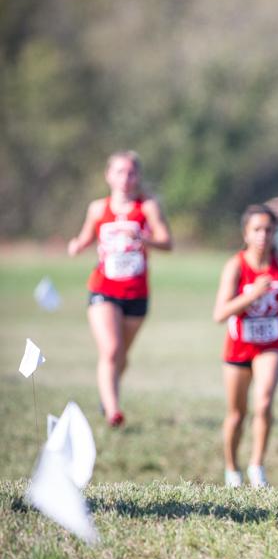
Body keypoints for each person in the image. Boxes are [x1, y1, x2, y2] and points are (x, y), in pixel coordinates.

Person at [68, 150, 172, 427]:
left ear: (137, 176)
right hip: (104, 288)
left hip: (137, 293)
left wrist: (143, 239)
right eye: (119, 172)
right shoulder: (98, 208)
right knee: (111, 350)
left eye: (131, 172)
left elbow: (167, 242)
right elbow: (87, 236)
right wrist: (77, 245)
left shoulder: (147, 206)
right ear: (108, 175)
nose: (125, 178)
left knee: (121, 356)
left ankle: (108, 393)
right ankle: (113, 410)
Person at [213, 204, 278, 488]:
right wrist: (253, 294)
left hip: (271, 342)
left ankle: (257, 467)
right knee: (237, 414)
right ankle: (231, 470)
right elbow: (220, 313)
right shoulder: (236, 265)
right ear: (246, 233)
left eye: (268, 230)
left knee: (263, 403)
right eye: (257, 230)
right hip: (239, 344)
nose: (263, 235)